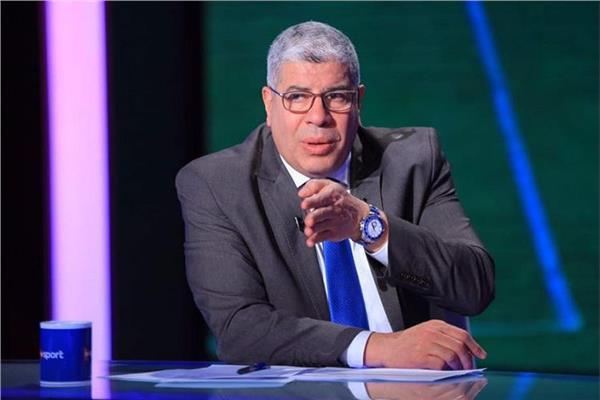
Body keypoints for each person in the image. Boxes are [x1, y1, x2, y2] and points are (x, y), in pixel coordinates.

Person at [176, 21, 494, 369]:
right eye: (297, 97)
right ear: (269, 103)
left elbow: (473, 287)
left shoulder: (413, 161)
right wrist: (378, 347)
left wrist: (369, 225)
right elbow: (240, 330)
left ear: (359, 101)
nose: (318, 117)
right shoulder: (217, 185)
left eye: (337, 97)